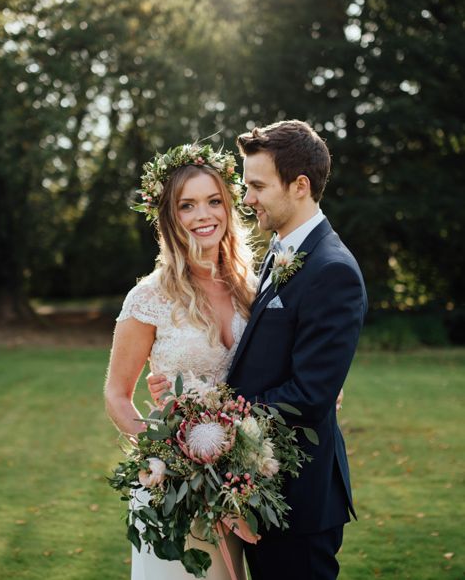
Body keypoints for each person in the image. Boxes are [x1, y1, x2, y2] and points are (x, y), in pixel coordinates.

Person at [148, 120, 367, 579]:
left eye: (257, 186)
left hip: (299, 500)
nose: (245, 199)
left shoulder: (333, 270)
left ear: (300, 185)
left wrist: (212, 422)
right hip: (258, 491)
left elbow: (309, 395)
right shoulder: (279, 251)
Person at [104, 142, 257, 580]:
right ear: (169, 218)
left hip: (241, 487)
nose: (203, 215)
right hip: (177, 492)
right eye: (186, 206)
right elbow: (117, 394)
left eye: (213, 201)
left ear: (228, 206)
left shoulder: (253, 290)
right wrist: (166, 460)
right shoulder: (149, 297)